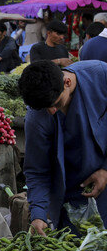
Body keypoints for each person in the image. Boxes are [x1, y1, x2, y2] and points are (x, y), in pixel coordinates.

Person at [19, 60, 107, 234]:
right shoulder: (37, 115)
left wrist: (105, 169)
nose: (52, 111)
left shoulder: (100, 75)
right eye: (46, 108)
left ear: (67, 82)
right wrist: (38, 214)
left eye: (56, 103)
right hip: (74, 195)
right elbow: (37, 170)